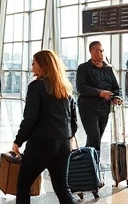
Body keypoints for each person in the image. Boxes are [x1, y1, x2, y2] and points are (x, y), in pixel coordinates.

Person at [11, 50, 78, 204]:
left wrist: (18, 141)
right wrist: (68, 136)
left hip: (42, 144)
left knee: (23, 185)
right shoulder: (65, 87)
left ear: (43, 66)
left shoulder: (36, 86)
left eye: (34, 62)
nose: (32, 65)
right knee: (62, 188)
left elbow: (30, 118)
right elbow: (73, 118)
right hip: (64, 143)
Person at [75, 41, 122, 158]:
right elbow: (81, 87)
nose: (100, 53)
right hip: (88, 107)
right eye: (97, 51)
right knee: (94, 136)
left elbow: (116, 88)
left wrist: (116, 97)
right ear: (90, 51)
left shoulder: (108, 69)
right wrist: (99, 93)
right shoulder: (83, 68)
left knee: (96, 137)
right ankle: (94, 163)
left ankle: (88, 161)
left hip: (104, 108)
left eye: (101, 50)